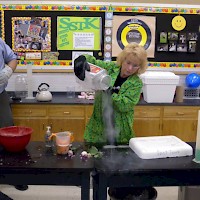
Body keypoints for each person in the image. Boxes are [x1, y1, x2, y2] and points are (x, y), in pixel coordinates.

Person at [74, 42, 157, 199]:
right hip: (98, 127)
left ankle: (121, 194)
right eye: (128, 63)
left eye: (135, 65)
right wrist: (81, 59)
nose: (129, 68)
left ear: (140, 67)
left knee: (119, 170)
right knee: (97, 168)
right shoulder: (111, 68)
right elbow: (93, 62)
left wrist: (111, 92)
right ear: (122, 60)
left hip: (121, 133)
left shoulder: (136, 83)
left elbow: (125, 105)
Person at [0, 38, 28, 198]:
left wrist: (7, 72)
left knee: (8, 134)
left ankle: (13, 176)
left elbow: (12, 59)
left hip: (0, 94)